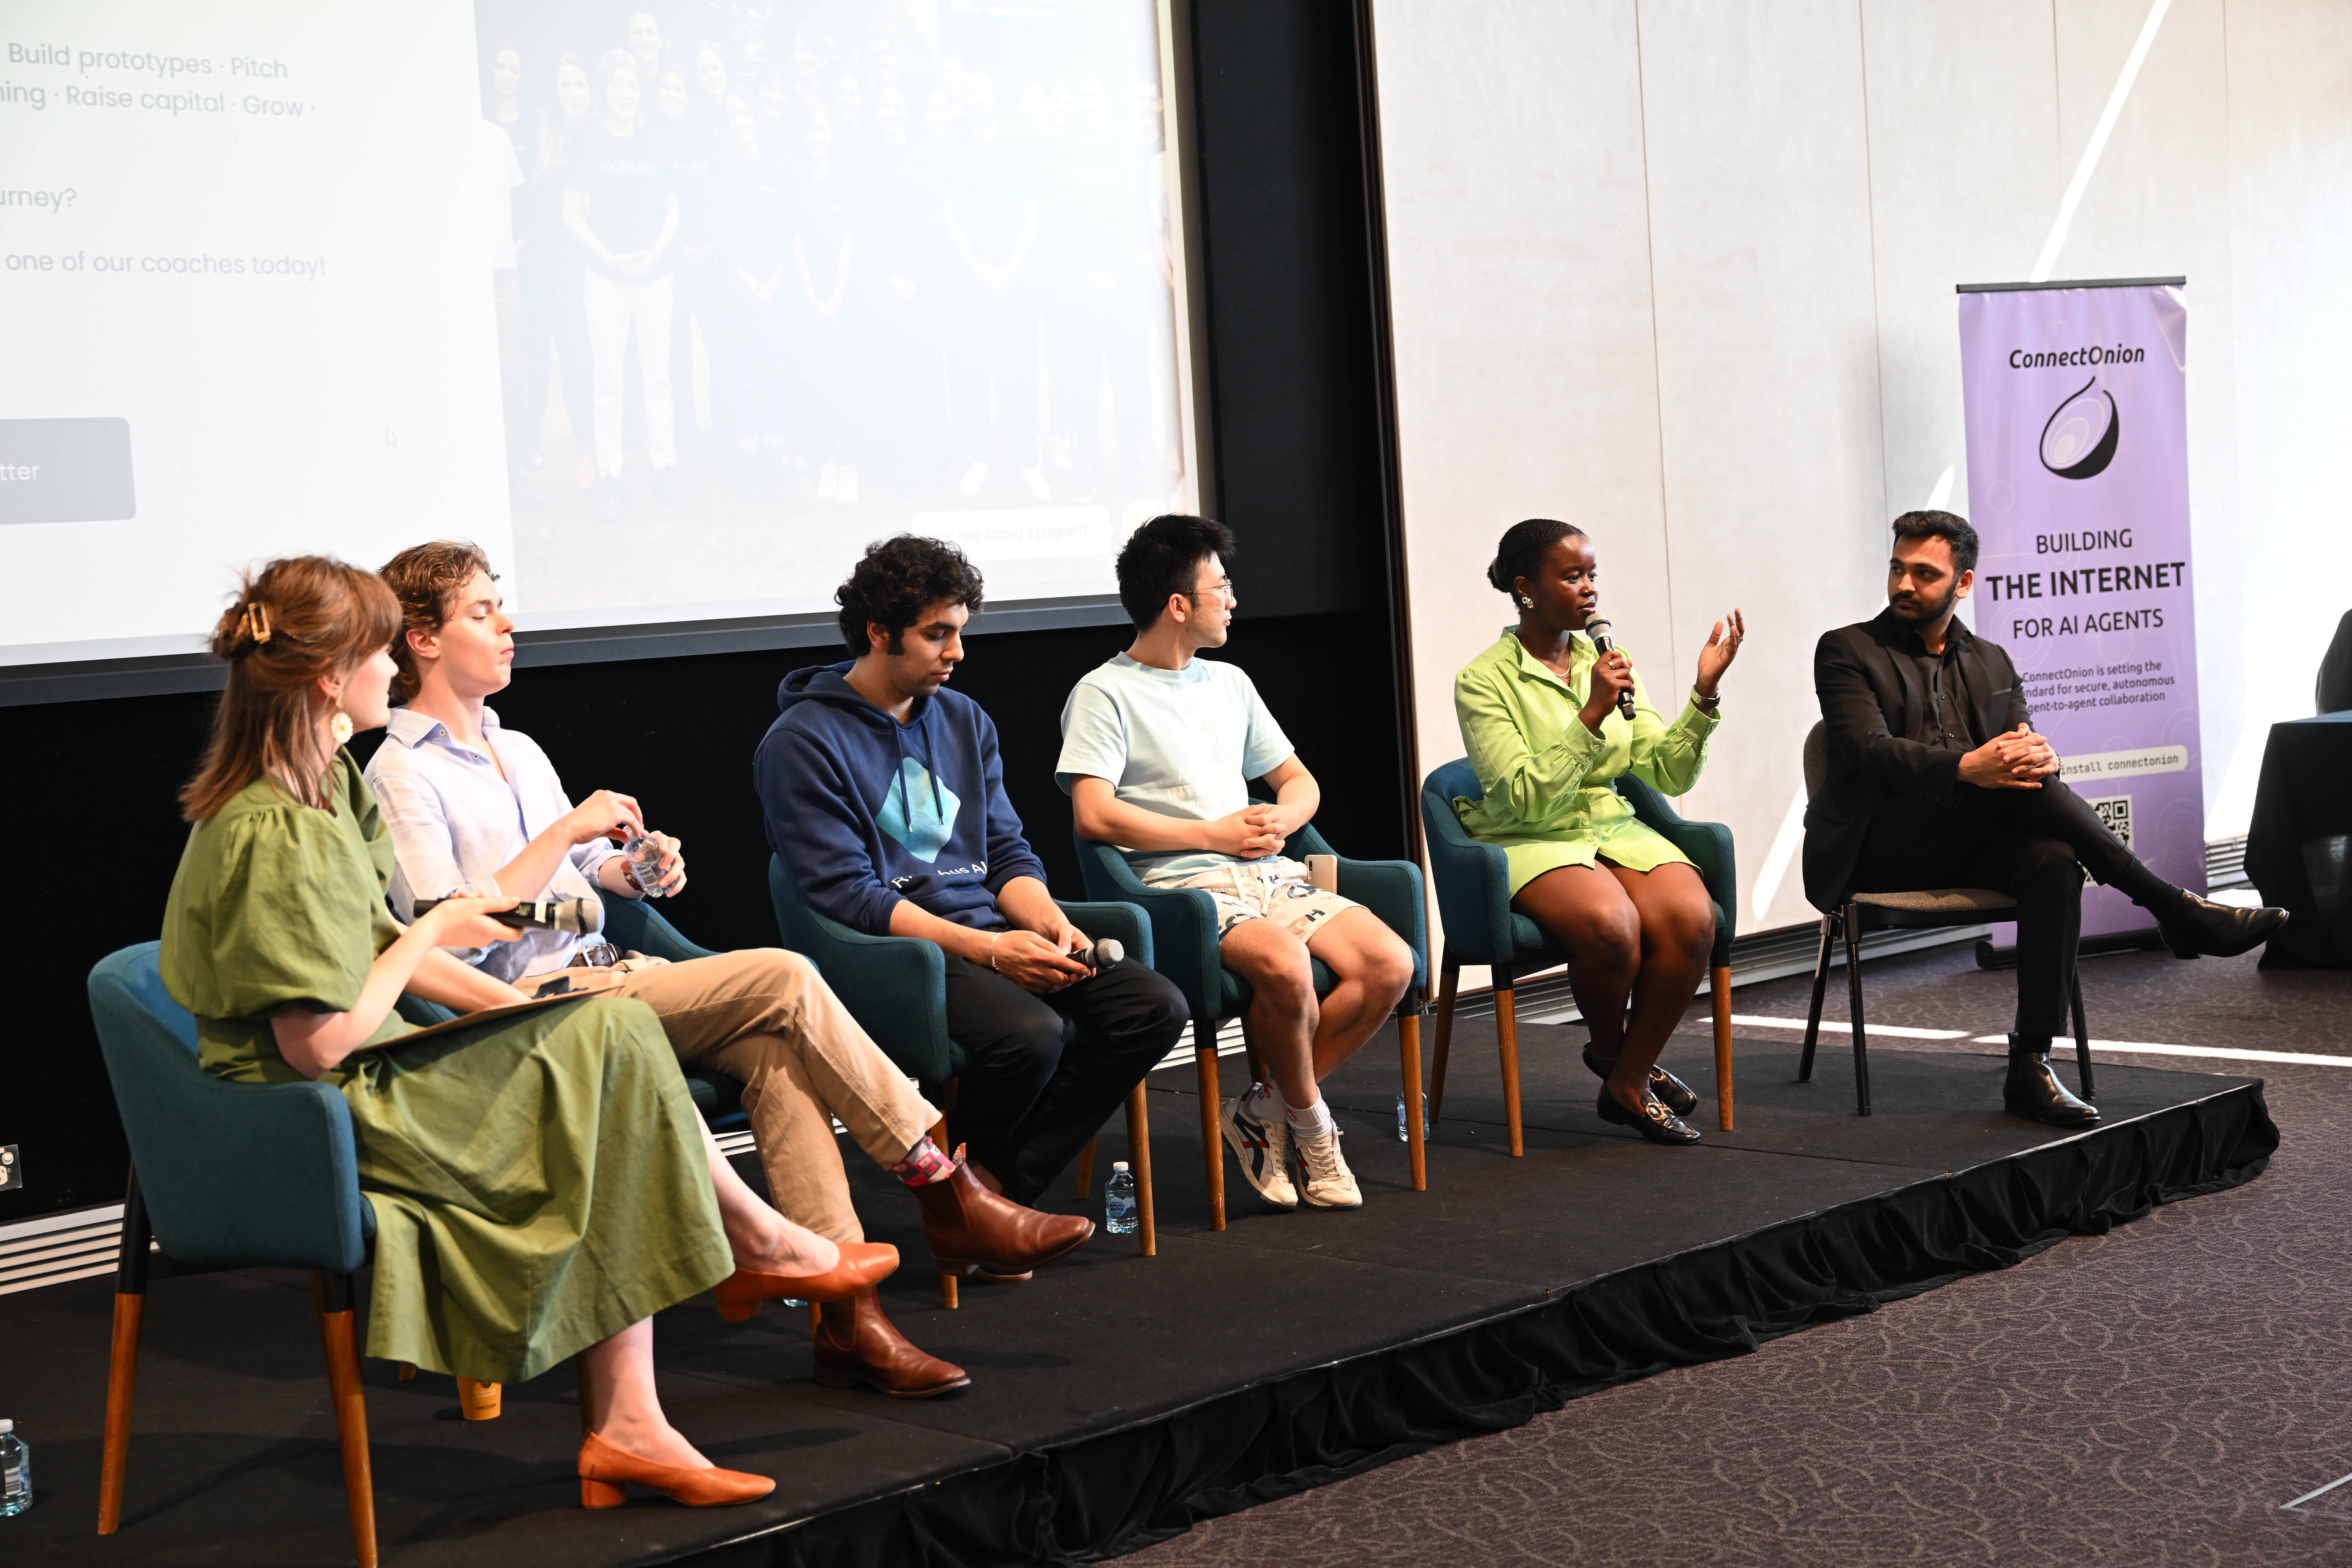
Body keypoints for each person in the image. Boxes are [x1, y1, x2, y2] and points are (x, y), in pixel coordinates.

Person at [160, 556, 893, 1510]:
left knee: (606, 1036)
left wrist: (527, 1017)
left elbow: (387, 950)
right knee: (621, 1044)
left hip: (366, 1068)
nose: (389, 668)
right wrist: (430, 935)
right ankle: (747, 1260)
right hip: (312, 1111)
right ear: (330, 677)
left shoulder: (324, 786)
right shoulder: (275, 824)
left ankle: (644, 1409)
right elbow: (319, 1044)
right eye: (378, 652)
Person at [364, 541, 1091, 1394]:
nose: (507, 625)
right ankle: (942, 1188)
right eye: (483, 613)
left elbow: (576, 883)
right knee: (783, 977)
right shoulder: (400, 773)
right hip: (519, 1005)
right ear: (423, 640)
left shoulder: (516, 746)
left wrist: (634, 869)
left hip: (605, 968)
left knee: (774, 1055)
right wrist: (563, 835)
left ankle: (850, 1324)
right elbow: (447, 935)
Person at [754, 536, 1188, 1247]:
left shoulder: (964, 719)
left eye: (959, 631)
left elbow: (1006, 853)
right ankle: (978, 1213)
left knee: (1152, 1006)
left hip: (988, 935)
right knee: (1030, 1035)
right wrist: (988, 950)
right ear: (879, 632)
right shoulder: (801, 740)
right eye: (937, 634)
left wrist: (1046, 922)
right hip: (898, 956)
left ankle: (987, 1195)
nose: (956, 652)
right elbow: (852, 897)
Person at [1808, 511, 2289, 1125]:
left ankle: (2031, 1064)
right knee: (2024, 793)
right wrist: (1968, 767)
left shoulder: (1991, 660)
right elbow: (1864, 751)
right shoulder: (1847, 649)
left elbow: (2024, 750)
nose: (1904, 583)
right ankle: (2176, 909)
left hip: (1968, 838)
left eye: (1924, 573)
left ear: (1963, 583)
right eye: (1898, 568)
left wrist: (2039, 755)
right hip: (1878, 843)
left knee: (2054, 858)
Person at [1059, 515, 1416, 1208]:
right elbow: (1094, 816)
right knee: (1286, 966)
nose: (1232, 599)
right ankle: (1313, 1129)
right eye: (1219, 586)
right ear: (1178, 604)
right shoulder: (1103, 692)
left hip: (1268, 875)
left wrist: (1285, 817)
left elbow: (1298, 781)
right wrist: (1213, 834)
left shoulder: (1229, 682)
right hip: (1182, 889)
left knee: (1390, 964)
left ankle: (1262, 1108)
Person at [1451, 519, 1742, 1146]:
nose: (1589, 589)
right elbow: (1521, 796)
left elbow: (1665, 768)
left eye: (1592, 575)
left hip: (1610, 825)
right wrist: (1589, 714)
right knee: (1613, 926)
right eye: (1572, 576)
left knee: (1694, 918)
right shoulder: (1483, 680)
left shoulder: (1606, 659)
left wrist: (1704, 694)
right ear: (1526, 588)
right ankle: (1617, 1059)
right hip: (1529, 834)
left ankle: (1625, 1078)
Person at [565, 50, 681, 514]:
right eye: (617, 85)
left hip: (655, 280)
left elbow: (674, 210)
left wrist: (655, 253)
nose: (626, 94)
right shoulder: (588, 142)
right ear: (605, 91)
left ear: (640, 92)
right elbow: (570, 213)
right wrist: (609, 259)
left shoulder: (656, 142)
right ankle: (611, 477)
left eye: (632, 85)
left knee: (658, 379)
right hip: (605, 280)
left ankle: (665, 467)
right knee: (609, 383)